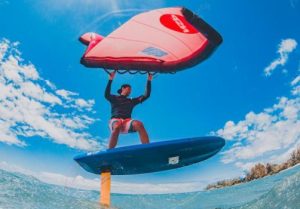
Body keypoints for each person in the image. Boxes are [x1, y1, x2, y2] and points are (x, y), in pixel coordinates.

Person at [105, 71, 153, 149]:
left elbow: (146, 95)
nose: (130, 91)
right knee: (117, 126)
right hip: (115, 121)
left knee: (139, 124)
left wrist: (149, 80)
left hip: (127, 122)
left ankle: (147, 148)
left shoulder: (131, 101)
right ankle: (110, 151)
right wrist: (110, 79)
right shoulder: (114, 98)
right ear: (123, 88)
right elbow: (106, 94)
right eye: (129, 89)